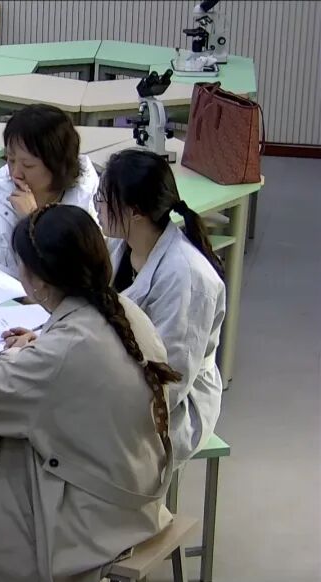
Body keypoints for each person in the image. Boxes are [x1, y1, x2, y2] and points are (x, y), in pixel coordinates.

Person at [0, 205, 180, 582]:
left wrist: (14, 354)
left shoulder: (63, 351)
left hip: (91, 512)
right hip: (132, 487)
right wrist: (40, 345)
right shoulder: (122, 311)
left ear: (39, 281)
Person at [99, 149, 226, 468]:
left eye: (103, 199)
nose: (97, 207)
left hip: (171, 405)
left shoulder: (187, 277)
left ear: (135, 212)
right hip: (119, 373)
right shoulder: (122, 243)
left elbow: (171, 379)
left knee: (68, 432)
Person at [0, 104, 99, 277]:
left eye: (28, 165)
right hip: (1, 291)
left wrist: (33, 220)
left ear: (57, 165)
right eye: (10, 160)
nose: (15, 173)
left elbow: (72, 276)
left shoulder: (87, 204)